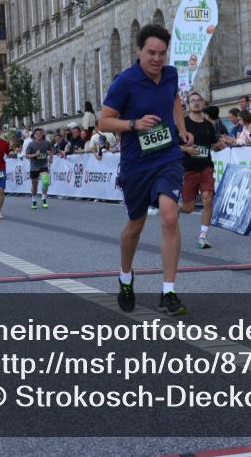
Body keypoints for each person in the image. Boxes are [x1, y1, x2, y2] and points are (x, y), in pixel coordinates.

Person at [99, 24, 194, 317]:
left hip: (167, 157)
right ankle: (125, 278)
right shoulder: (125, 82)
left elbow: (175, 100)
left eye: (162, 54)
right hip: (136, 163)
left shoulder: (170, 75)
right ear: (139, 51)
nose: (156, 59)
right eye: (151, 53)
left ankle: (168, 292)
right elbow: (103, 122)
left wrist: (182, 129)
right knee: (135, 226)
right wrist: (134, 124)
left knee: (169, 215)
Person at [179, 92, 226, 249]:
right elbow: (173, 145)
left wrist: (219, 146)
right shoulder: (183, 124)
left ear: (203, 104)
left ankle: (203, 237)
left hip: (206, 167)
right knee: (188, 208)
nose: (196, 103)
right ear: (188, 105)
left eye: (199, 100)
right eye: (193, 101)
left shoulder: (208, 125)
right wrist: (186, 149)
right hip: (189, 169)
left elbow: (212, 145)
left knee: (207, 198)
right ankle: (175, 209)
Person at [25, 127, 53, 209]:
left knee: (45, 182)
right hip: (34, 167)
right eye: (37, 134)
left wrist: (51, 157)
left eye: (40, 133)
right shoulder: (31, 144)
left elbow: (51, 150)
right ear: (34, 135)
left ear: (42, 134)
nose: (39, 135)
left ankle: (44, 198)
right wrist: (35, 155)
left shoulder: (46, 143)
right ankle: (33, 200)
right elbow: (27, 156)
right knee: (35, 185)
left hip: (43, 165)